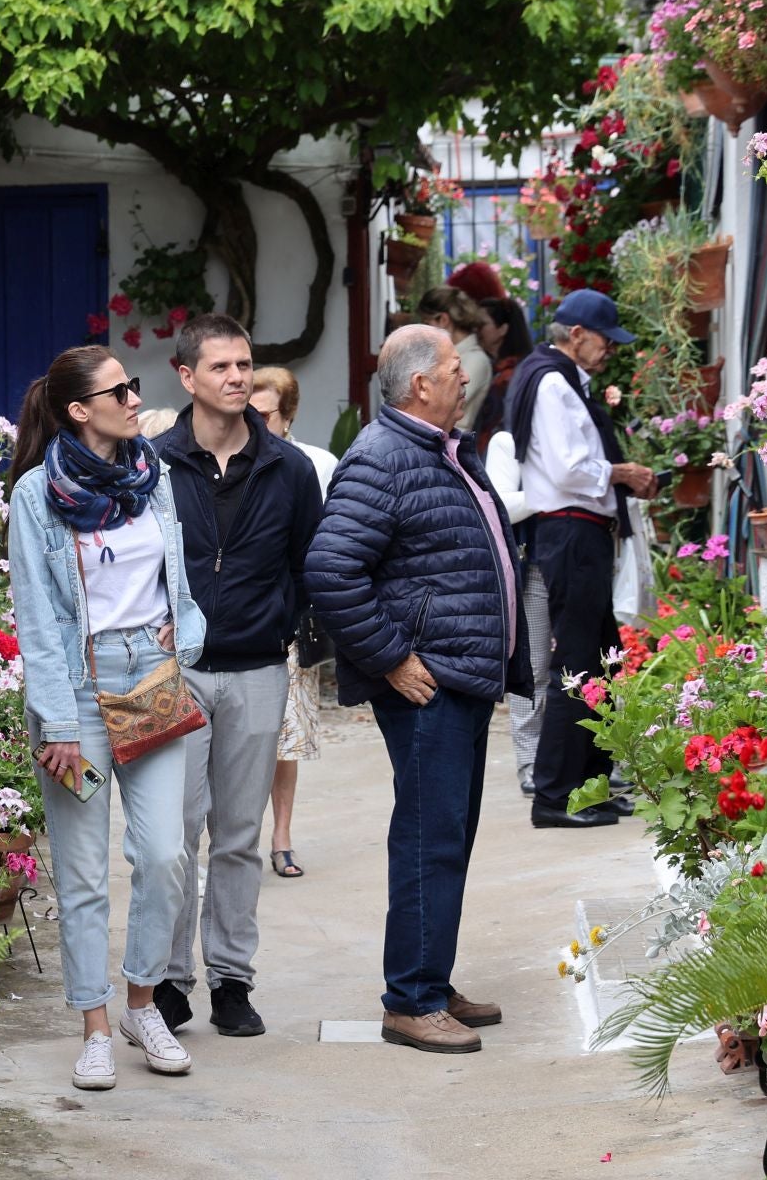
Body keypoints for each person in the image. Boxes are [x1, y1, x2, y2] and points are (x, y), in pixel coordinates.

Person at [305, 323, 532, 1056]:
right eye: (451, 366)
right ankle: (409, 1001)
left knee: (449, 838)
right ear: (419, 385)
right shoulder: (381, 457)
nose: (465, 375)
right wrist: (393, 659)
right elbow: (331, 572)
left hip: (461, 675)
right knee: (429, 839)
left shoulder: (440, 447)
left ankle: (430, 977)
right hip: (427, 684)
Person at [7, 345, 207, 1090]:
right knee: (83, 871)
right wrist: (56, 721)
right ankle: (93, 1025)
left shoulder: (150, 477)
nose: (135, 396)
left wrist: (183, 637)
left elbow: (176, 581)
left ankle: (141, 1002)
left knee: (165, 855)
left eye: (133, 385)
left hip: (150, 682)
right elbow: (36, 615)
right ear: (78, 410)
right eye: (118, 389)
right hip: (78, 695)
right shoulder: (35, 496)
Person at [150, 316, 323, 1040]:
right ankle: (167, 981)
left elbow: (310, 562)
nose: (237, 378)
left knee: (239, 835)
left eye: (244, 365)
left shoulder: (289, 468)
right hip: (174, 672)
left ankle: (231, 980)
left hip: (256, 668)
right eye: (219, 366)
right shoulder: (153, 464)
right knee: (172, 834)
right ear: (186, 377)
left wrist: (292, 632)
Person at [504, 290, 659, 829]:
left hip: (580, 531)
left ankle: (590, 786)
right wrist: (622, 473)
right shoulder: (551, 380)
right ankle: (555, 795)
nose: (609, 352)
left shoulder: (556, 378)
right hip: (570, 530)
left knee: (601, 659)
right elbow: (571, 470)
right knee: (577, 664)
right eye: (604, 341)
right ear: (576, 335)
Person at [247, 366, 336, 880]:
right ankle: (236, 837)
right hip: (242, 615)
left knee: (287, 737)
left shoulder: (317, 465)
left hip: (292, 616)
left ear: (289, 414)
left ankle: (281, 836)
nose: (255, 422)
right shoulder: (233, 459)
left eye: (265, 414)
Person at [484, 428, 546, 798]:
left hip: (581, 560)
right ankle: (530, 762)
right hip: (534, 565)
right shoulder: (509, 441)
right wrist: (557, 489)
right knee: (533, 666)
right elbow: (502, 504)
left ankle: (602, 759)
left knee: (592, 663)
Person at [415, 285, 494, 434]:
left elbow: (439, 407)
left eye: (426, 323)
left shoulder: (475, 359)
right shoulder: (454, 355)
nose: (424, 332)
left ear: (444, 320)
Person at [474, 296, 533, 447]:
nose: (476, 330)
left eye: (482, 325)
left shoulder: (511, 374)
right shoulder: (493, 366)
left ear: (503, 329)